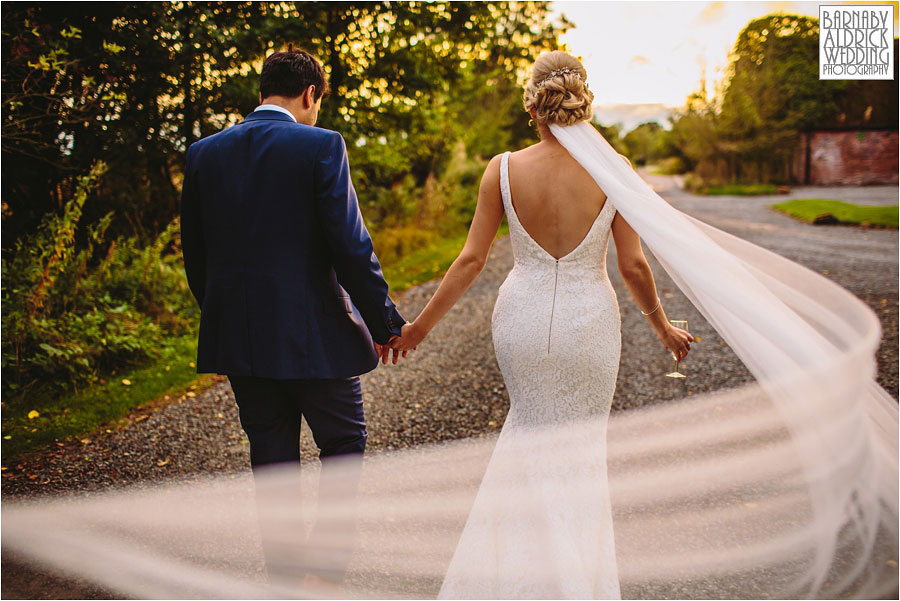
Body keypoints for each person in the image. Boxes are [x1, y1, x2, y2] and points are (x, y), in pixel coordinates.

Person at [389, 51, 692, 598]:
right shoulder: (614, 169)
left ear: (533, 104)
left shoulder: (501, 169)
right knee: (580, 454)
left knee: (526, 439)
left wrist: (419, 327)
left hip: (521, 321)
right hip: (590, 326)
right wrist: (663, 327)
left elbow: (470, 261)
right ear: (583, 98)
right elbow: (633, 265)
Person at [179, 47, 408, 590]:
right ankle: (325, 575)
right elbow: (351, 246)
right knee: (344, 444)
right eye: (317, 103)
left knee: (271, 454)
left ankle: (283, 577)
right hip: (317, 339)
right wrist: (386, 324)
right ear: (310, 94)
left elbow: (196, 256)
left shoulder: (203, 153)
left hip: (241, 340)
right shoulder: (321, 145)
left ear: (263, 90)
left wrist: (226, 317)